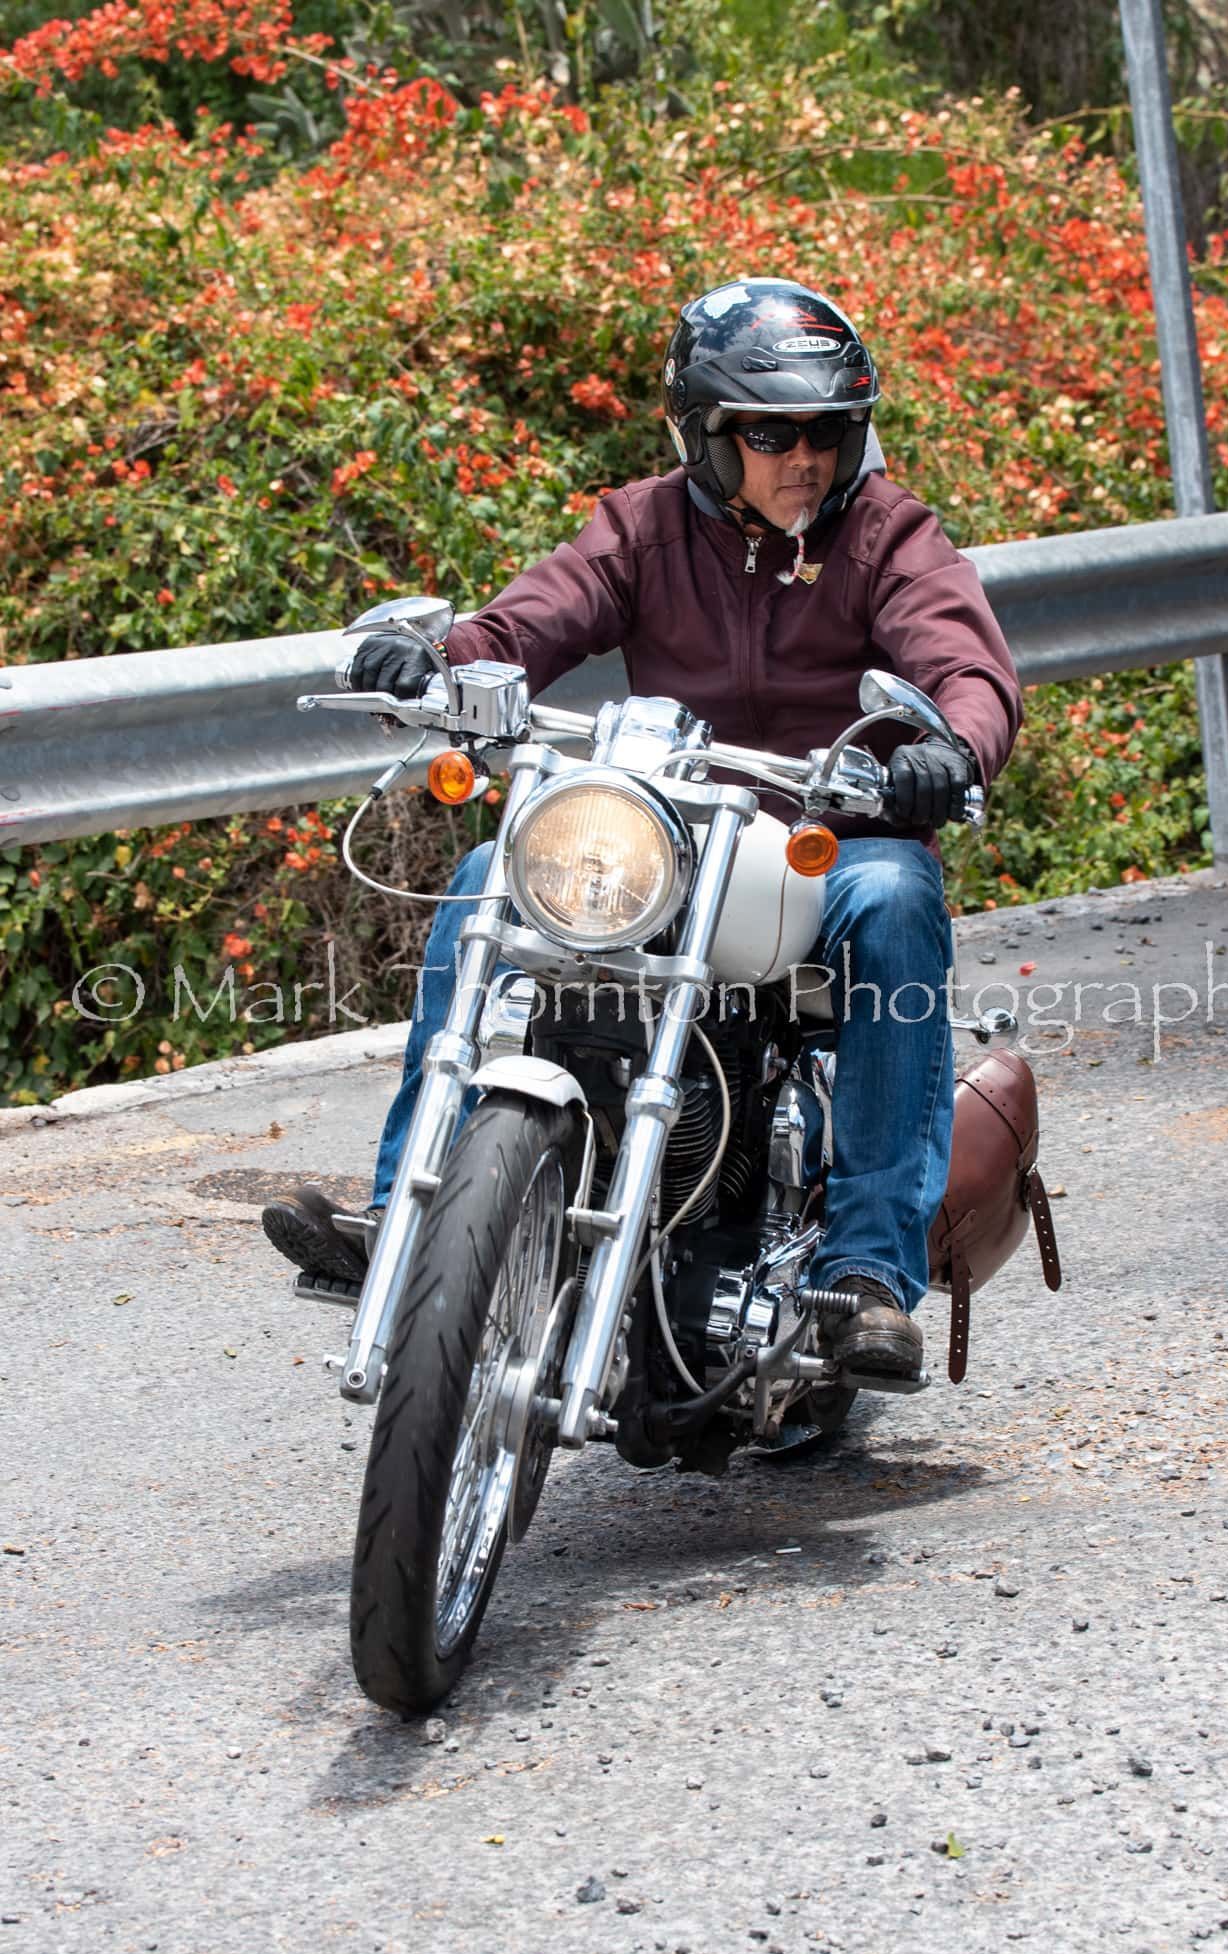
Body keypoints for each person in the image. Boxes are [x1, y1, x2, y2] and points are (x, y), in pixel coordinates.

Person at [263, 277, 1022, 1381]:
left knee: (897, 899)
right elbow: (529, 620)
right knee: (487, 874)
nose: (804, 457)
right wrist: (440, 661)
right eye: (770, 433)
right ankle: (408, 1213)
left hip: (830, 838)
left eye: (826, 430)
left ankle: (866, 1272)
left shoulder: (888, 535)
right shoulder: (644, 527)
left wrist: (952, 747)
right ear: (705, 434)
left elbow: (966, 666)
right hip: (675, 834)